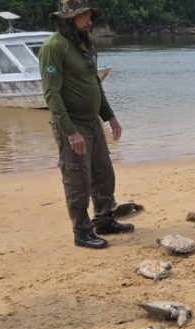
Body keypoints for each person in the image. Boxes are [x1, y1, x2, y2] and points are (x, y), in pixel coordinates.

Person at [39, 0, 134, 249]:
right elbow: (52, 94)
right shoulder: (54, 47)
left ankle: (103, 220)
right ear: (68, 18)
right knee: (77, 179)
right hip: (73, 125)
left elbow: (95, 84)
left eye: (90, 16)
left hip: (92, 122)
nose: (89, 21)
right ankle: (81, 231)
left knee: (103, 174)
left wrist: (110, 116)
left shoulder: (83, 44)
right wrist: (70, 131)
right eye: (83, 16)